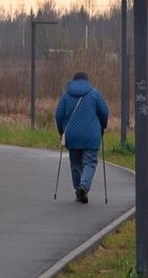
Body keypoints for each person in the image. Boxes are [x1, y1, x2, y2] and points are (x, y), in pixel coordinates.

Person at [55, 71, 109, 204]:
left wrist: (61, 131)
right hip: (91, 135)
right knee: (89, 162)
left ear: (73, 81)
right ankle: (83, 187)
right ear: (87, 81)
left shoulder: (66, 96)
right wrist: (102, 126)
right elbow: (104, 113)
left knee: (75, 163)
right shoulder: (95, 94)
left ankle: (78, 188)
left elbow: (58, 115)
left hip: (72, 136)